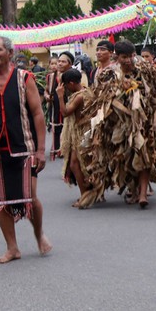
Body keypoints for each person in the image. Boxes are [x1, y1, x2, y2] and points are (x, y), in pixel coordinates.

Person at [0, 36, 51, 264]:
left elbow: (37, 114)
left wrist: (41, 149)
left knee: (30, 198)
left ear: (9, 52)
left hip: (23, 146)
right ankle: (12, 248)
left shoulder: (25, 78)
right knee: (1, 202)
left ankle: (38, 234)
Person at [78, 40, 156, 209]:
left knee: (144, 152)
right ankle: (130, 186)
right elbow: (98, 99)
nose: (129, 60)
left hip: (143, 122)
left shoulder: (145, 71)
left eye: (132, 56)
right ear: (117, 57)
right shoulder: (108, 74)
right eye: (125, 57)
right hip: (118, 124)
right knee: (126, 156)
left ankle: (142, 194)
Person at [57, 68, 92, 207]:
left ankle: (85, 196)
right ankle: (88, 193)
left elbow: (65, 112)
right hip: (84, 132)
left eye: (65, 86)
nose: (64, 89)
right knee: (81, 165)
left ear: (71, 83)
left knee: (75, 164)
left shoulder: (79, 96)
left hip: (81, 133)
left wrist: (60, 97)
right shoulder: (87, 90)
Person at [46, 52, 73, 160]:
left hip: (68, 106)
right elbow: (46, 91)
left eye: (63, 61)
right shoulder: (50, 77)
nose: (59, 64)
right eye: (59, 61)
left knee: (66, 128)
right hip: (54, 106)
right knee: (55, 128)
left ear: (70, 64)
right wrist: (47, 96)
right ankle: (56, 149)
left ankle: (65, 149)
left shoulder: (72, 76)